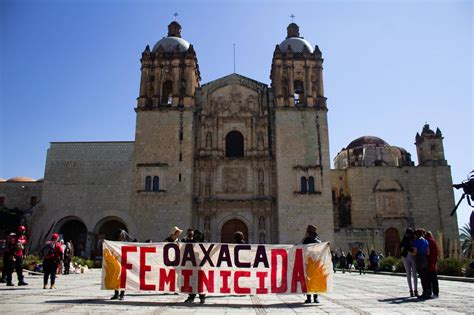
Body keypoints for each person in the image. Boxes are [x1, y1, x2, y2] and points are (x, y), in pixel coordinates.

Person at [184, 229, 207, 304]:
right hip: (192, 265)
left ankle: (202, 297)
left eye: (199, 235)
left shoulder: (205, 244)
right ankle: (191, 297)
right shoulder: (190, 243)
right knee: (192, 282)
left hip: (201, 266)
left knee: (200, 282)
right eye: (196, 235)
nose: (198, 237)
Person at [303, 224, 322, 304]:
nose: (309, 234)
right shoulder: (306, 240)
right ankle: (309, 297)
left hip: (315, 263)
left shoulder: (317, 241)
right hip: (308, 263)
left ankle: (315, 297)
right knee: (308, 281)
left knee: (315, 281)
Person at [111, 229, 130, 300]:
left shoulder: (126, 243)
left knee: (123, 279)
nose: (120, 237)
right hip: (116, 262)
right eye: (119, 235)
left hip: (125, 263)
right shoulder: (114, 243)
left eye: (121, 235)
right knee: (116, 278)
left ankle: (122, 294)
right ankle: (116, 294)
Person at [411, 229, 430, 299]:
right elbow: (428, 252)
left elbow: (415, 252)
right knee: (426, 276)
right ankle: (428, 291)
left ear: (416, 234)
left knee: (422, 276)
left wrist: (411, 253)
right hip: (425, 259)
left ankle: (425, 292)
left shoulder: (415, 242)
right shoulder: (426, 241)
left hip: (419, 259)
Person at [400, 228, 417, 297]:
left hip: (411, 256)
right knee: (409, 273)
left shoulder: (413, 239)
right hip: (407, 256)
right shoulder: (405, 239)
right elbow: (402, 245)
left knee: (414, 273)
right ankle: (411, 290)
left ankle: (415, 290)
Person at [425, 231, 439, 298]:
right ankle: (434, 293)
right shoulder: (433, 241)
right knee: (433, 278)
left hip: (429, 261)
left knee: (430, 278)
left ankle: (433, 293)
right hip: (433, 261)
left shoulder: (428, 241)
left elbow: (427, 252)